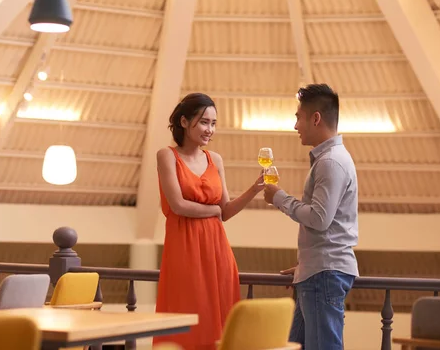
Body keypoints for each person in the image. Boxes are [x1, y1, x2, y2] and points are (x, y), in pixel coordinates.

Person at [154, 93, 263, 350]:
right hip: (184, 252)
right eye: (204, 122)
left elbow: (225, 211)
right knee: (188, 318)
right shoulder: (166, 156)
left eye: (213, 123)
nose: (210, 130)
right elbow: (178, 205)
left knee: (222, 323)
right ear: (184, 121)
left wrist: (254, 189)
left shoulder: (216, 159)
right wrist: (213, 211)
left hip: (218, 253)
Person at [262, 84, 359, 350]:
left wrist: (279, 197)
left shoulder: (330, 162)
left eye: (298, 117)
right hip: (318, 269)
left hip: (323, 272)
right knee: (296, 345)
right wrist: (307, 263)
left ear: (315, 118)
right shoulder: (331, 159)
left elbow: (319, 218)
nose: (295, 126)